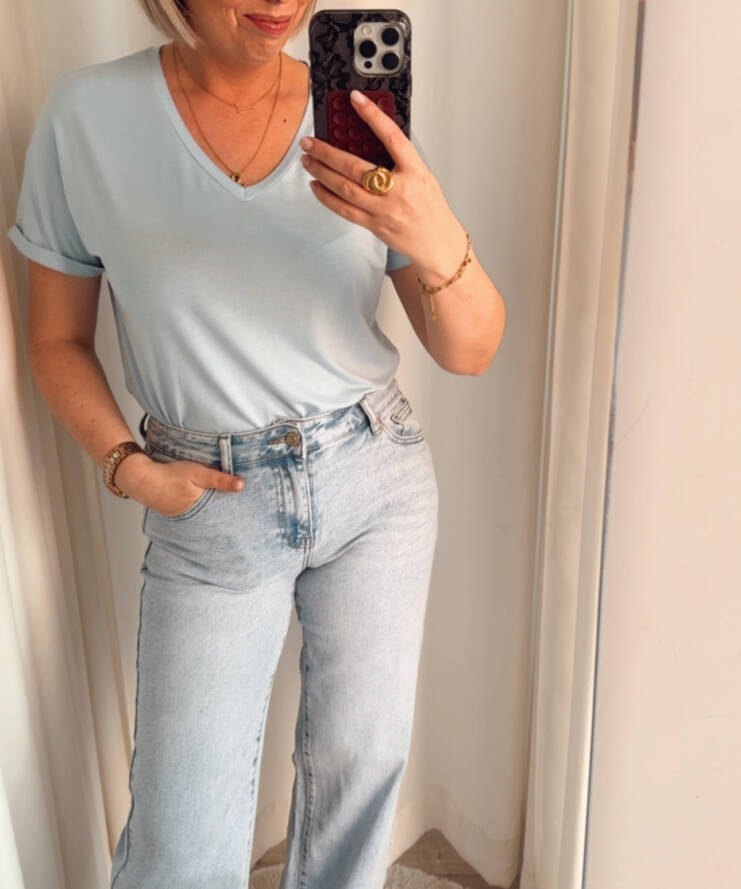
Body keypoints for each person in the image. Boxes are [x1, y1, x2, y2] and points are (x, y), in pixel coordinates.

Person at [7, 2, 505, 887]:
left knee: (357, 787)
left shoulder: (355, 115)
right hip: (207, 500)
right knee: (178, 841)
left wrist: (433, 237)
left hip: (374, 475)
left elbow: (470, 350)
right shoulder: (86, 116)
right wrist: (131, 469)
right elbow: (55, 339)